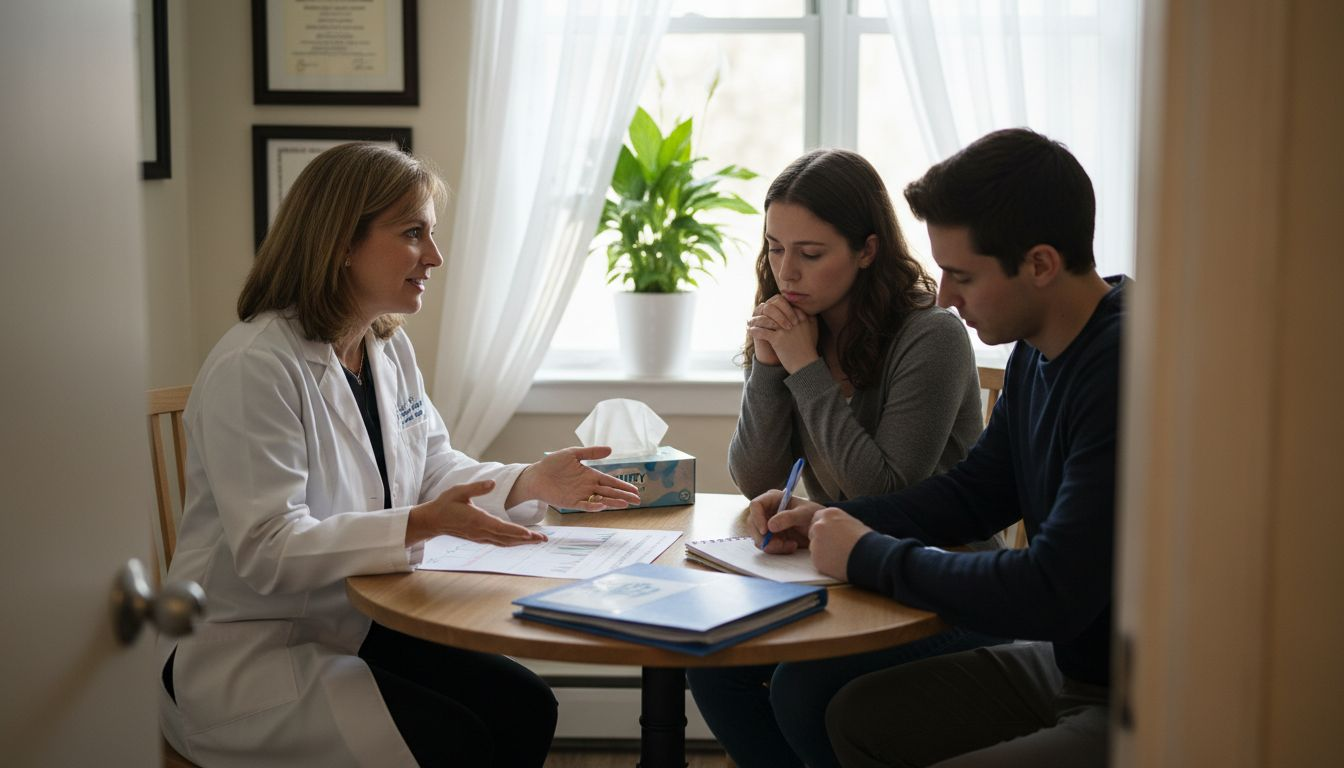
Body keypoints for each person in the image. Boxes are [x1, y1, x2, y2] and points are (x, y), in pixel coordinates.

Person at [156, 142, 641, 768]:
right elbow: (268, 549)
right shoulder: (256, 366)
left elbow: (434, 466)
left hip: (349, 623)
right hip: (247, 650)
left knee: (525, 705)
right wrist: (420, 522)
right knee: (456, 741)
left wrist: (529, 481)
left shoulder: (384, 348)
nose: (434, 257)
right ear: (340, 242)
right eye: (414, 234)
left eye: (431, 235)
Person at [751, 128, 1129, 767]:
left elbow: (1051, 587)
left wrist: (868, 553)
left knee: (828, 698)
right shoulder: (1037, 354)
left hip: (1134, 693)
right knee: (854, 715)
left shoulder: (1121, 365)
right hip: (1069, 664)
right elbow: (975, 494)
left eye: (961, 275)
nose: (946, 296)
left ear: (1039, 264)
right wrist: (836, 519)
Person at [688, 148, 1003, 768]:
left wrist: (804, 367)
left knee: (800, 686)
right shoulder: (799, 324)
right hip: (846, 574)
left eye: (811, 254)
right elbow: (754, 475)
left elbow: (880, 488)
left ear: (866, 250)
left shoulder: (930, 333)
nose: (786, 272)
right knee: (714, 663)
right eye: (775, 248)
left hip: (944, 582)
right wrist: (770, 368)